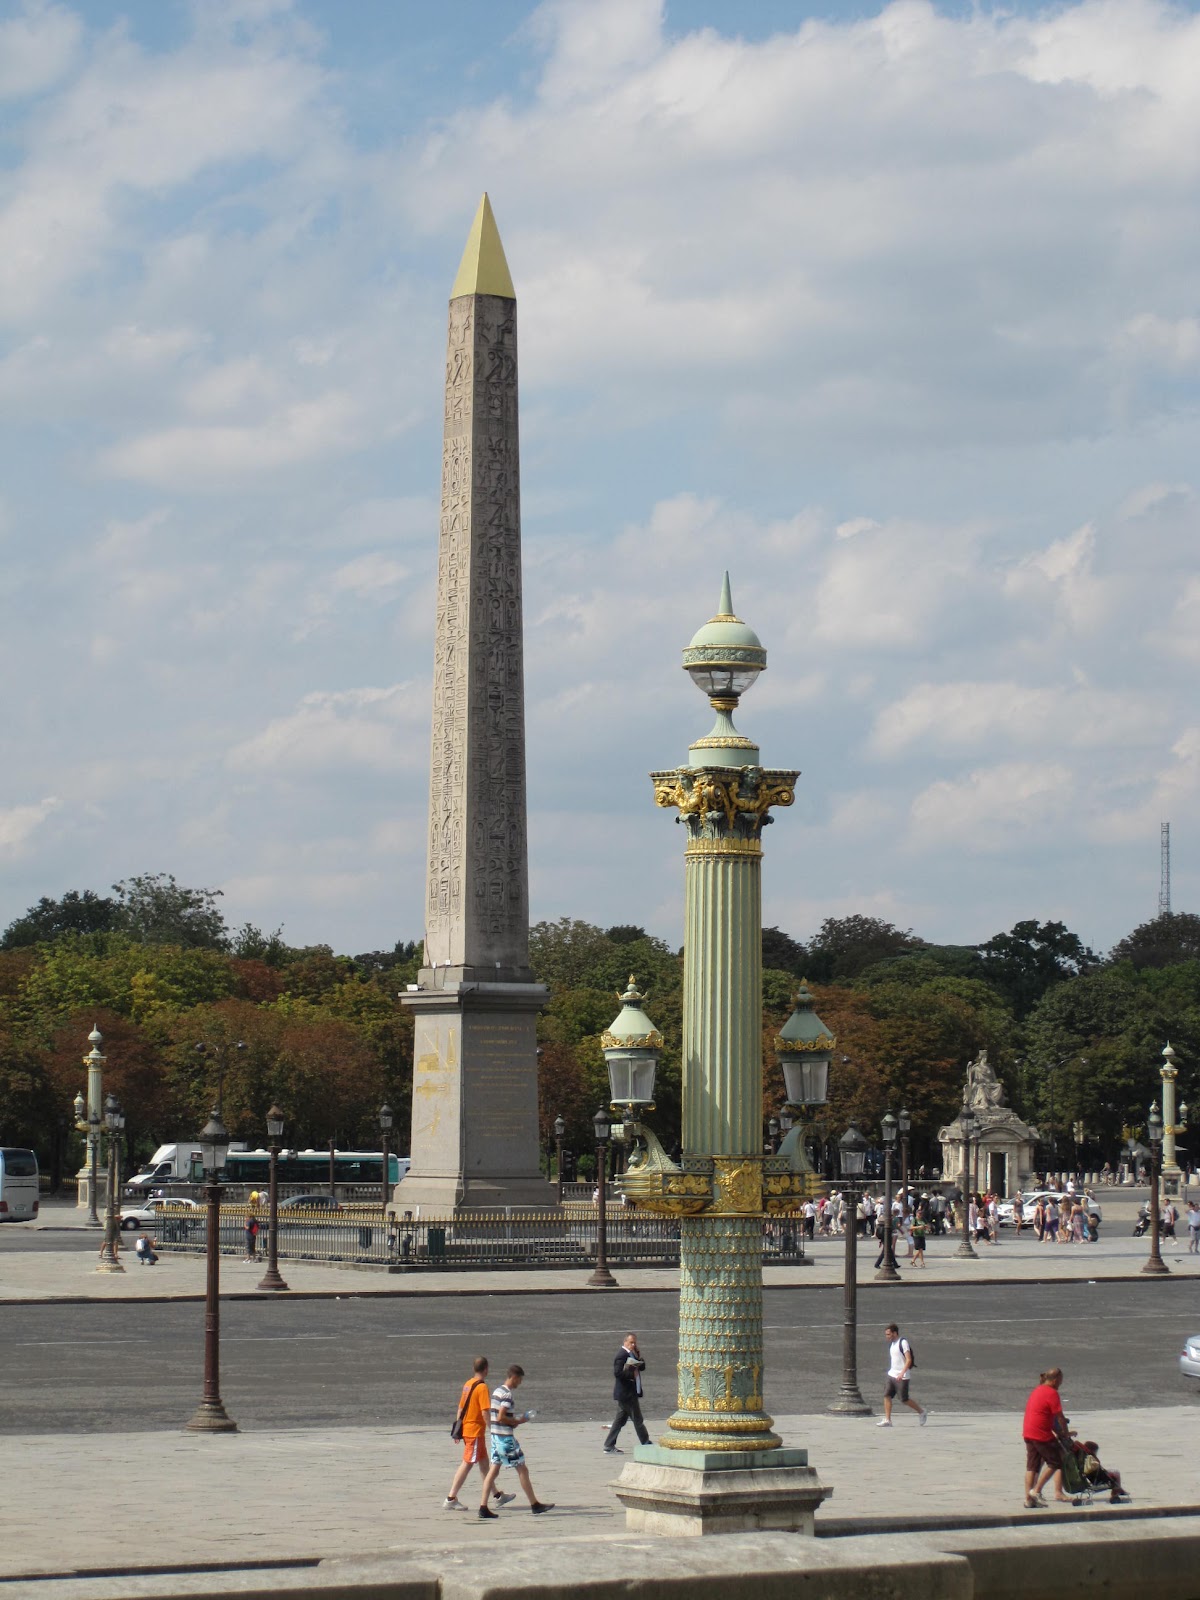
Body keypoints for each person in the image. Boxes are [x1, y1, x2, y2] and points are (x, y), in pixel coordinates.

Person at [442, 1357, 516, 1512]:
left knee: (484, 1464)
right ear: (486, 1369)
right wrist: (493, 1428)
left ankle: (497, 1496)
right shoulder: (482, 1387)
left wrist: (459, 1430)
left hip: (469, 1430)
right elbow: (485, 1412)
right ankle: (450, 1498)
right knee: (467, 1463)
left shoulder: (468, 1384)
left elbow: (460, 1408)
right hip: (475, 1431)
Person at [478, 1364, 553, 1518]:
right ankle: (534, 1504)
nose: (520, 1383)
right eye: (519, 1380)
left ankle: (483, 1507)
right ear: (514, 1377)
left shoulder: (497, 1391)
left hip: (495, 1437)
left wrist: (512, 1421)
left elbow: (497, 1417)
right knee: (522, 1469)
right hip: (505, 1439)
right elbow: (501, 1416)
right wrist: (518, 1421)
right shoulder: (507, 1395)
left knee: (493, 1472)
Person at [1022, 1366, 1074, 1507]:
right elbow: (1060, 1417)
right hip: (1040, 1434)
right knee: (1056, 1462)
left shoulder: (1037, 1390)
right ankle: (1036, 1491)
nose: (1060, 1385)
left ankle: (1028, 1500)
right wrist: (1065, 1433)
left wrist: (1058, 1432)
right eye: (1061, 1381)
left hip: (1028, 1432)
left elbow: (1045, 1416)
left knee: (1032, 1466)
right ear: (1055, 1380)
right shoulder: (1051, 1393)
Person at [604, 1332, 650, 1454]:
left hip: (629, 1393)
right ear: (625, 1342)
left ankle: (609, 1445)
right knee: (637, 1419)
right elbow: (618, 1373)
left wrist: (638, 1357)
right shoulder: (622, 1355)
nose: (633, 1345)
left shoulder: (631, 1354)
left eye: (635, 1342)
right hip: (627, 1394)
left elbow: (642, 1367)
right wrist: (631, 1373)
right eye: (631, 1342)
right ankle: (646, 1442)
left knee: (619, 1421)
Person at [877, 1323, 926, 1427]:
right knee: (886, 1395)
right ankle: (888, 1420)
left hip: (902, 1376)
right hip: (892, 1375)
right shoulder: (892, 1344)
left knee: (904, 1399)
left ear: (894, 1333)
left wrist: (902, 1373)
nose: (887, 1336)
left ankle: (921, 1412)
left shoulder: (903, 1342)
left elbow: (908, 1360)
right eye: (886, 1334)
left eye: (888, 1334)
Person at [243, 1193, 261, 1262]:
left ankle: (248, 1258)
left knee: (248, 1247)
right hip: (253, 1235)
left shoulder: (249, 1221)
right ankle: (254, 1258)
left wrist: (244, 1223)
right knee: (253, 1247)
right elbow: (257, 1227)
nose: (246, 1218)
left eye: (246, 1217)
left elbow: (247, 1228)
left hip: (249, 1235)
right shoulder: (255, 1220)